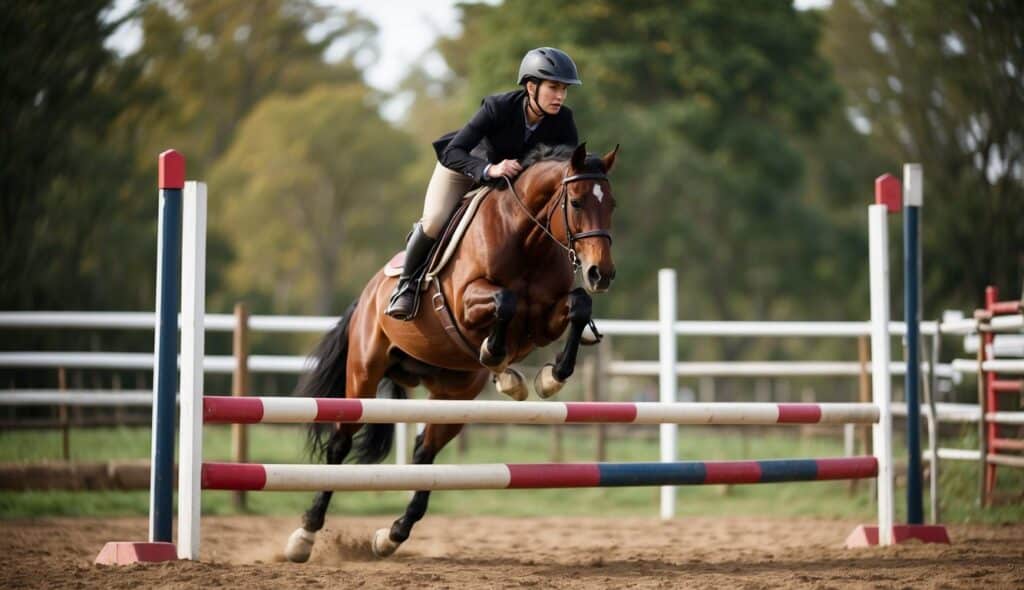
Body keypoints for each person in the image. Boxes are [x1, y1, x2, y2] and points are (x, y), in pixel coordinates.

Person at [386, 47, 583, 320]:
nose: (560, 96)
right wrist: (489, 169)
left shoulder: (563, 120)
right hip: (466, 166)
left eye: (564, 89)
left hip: (514, 185)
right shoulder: (497, 107)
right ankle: (406, 286)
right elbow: (453, 152)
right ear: (530, 86)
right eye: (553, 87)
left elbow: (567, 172)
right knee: (434, 221)